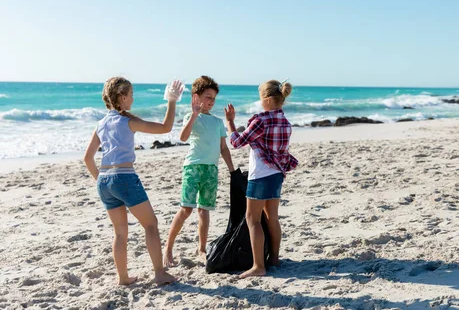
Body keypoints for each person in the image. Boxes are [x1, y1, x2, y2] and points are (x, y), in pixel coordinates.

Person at [83, 77, 182, 285]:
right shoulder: (128, 121)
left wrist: (100, 180)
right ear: (123, 96)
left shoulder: (101, 124)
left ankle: (123, 277)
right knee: (151, 225)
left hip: (104, 180)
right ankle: (159, 273)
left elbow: (87, 158)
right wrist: (171, 100)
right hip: (124, 177)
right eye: (132, 95)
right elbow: (165, 127)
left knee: (120, 232)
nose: (133, 99)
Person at [224, 79, 298, 278]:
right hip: (277, 174)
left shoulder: (261, 120)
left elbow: (237, 142)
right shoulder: (285, 122)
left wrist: (230, 122)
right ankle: (274, 258)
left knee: (252, 219)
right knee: (272, 218)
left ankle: (258, 266)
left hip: (260, 175)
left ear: (266, 99)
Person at [163, 76, 235, 267]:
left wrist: (232, 169)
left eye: (213, 98)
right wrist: (194, 114)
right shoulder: (191, 117)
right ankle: (168, 248)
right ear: (196, 97)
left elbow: (223, 148)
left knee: (204, 211)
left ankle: (201, 249)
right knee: (186, 209)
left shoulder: (218, 122)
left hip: (211, 170)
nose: (211, 102)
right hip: (193, 168)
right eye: (207, 97)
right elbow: (183, 136)